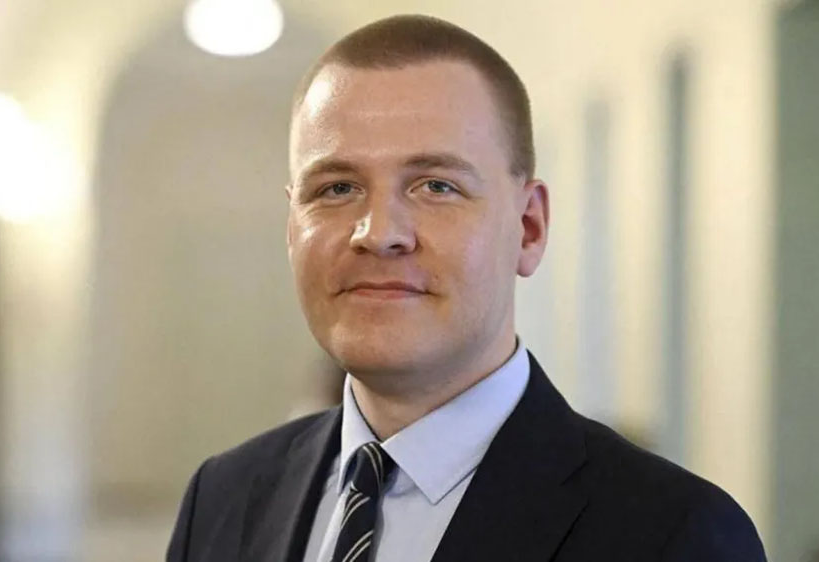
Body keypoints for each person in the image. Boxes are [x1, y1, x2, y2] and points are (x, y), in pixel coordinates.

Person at [167, 14, 766, 562]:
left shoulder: (673, 536)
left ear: (529, 228)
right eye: (337, 189)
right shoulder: (223, 499)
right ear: (291, 228)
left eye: (436, 187)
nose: (378, 234)